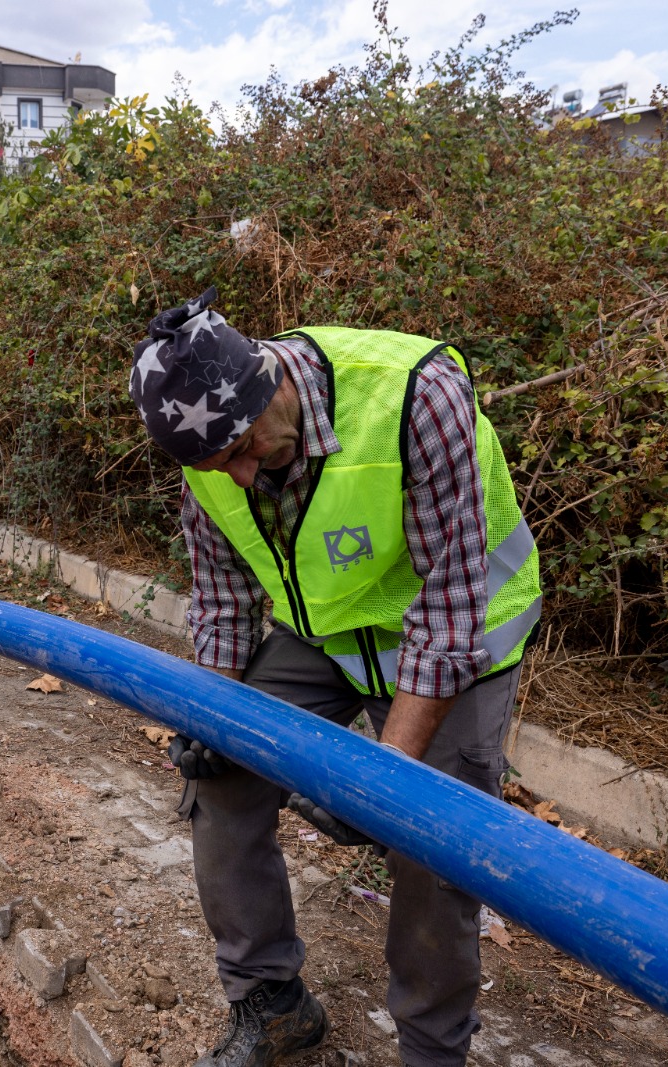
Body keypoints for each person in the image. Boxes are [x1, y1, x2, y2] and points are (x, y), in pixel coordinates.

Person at [127, 289, 541, 1067]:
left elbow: (450, 613)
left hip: (459, 630)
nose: (243, 475)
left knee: (430, 838)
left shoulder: (417, 396)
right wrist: (210, 713)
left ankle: (430, 1050)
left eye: (250, 447)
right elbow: (222, 601)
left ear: (267, 382)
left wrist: (383, 779)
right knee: (222, 776)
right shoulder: (211, 450)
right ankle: (271, 1001)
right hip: (326, 632)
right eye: (223, 465)